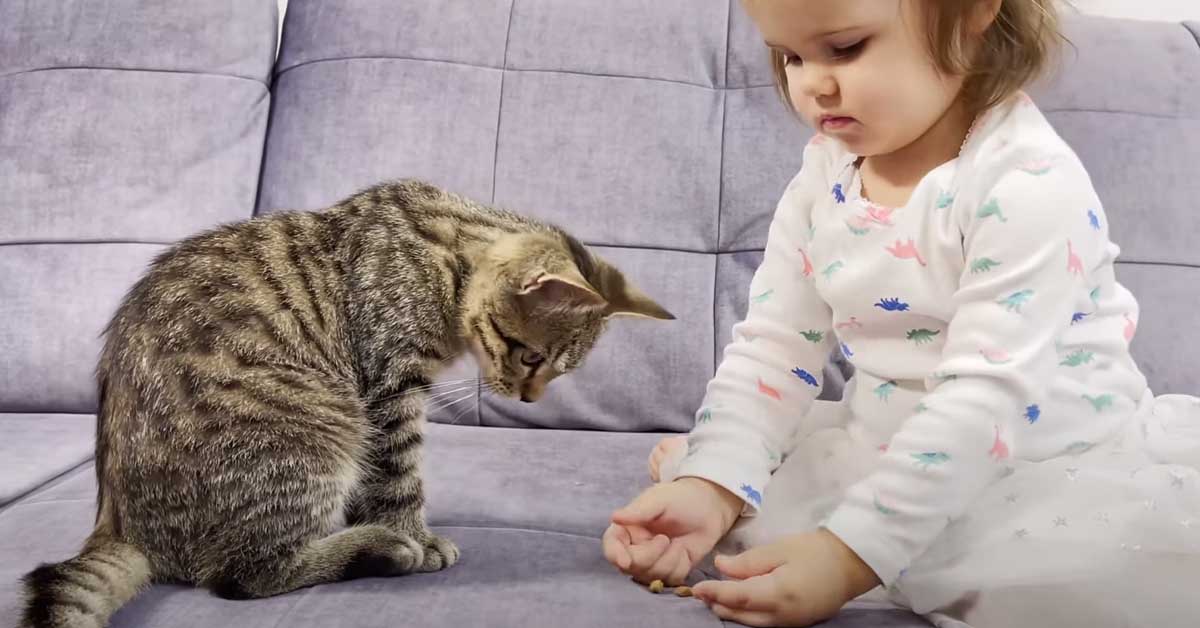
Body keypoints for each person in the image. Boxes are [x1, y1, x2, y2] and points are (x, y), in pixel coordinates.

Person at [602, 1, 1200, 626]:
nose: (812, 85)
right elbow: (775, 347)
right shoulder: (827, 170)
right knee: (717, 470)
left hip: (1037, 461)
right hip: (890, 439)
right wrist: (714, 485)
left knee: (1059, 581)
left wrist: (847, 557)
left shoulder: (1027, 185)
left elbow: (983, 399)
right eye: (791, 56)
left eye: (845, 48)